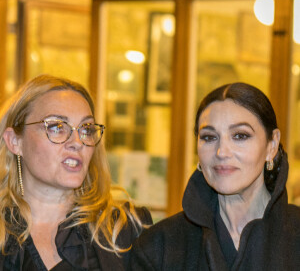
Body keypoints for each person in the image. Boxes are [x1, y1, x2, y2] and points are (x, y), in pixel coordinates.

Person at [129, 82, 300, 270]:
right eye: (209, 137)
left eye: (240, 135)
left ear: (272, 145)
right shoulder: (159, 247)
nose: (222, 151)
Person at [0, 75, 152, 271]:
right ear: (14, 141)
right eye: (56, 127)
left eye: (86, 130)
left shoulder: (125, 230)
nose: (77, 142)